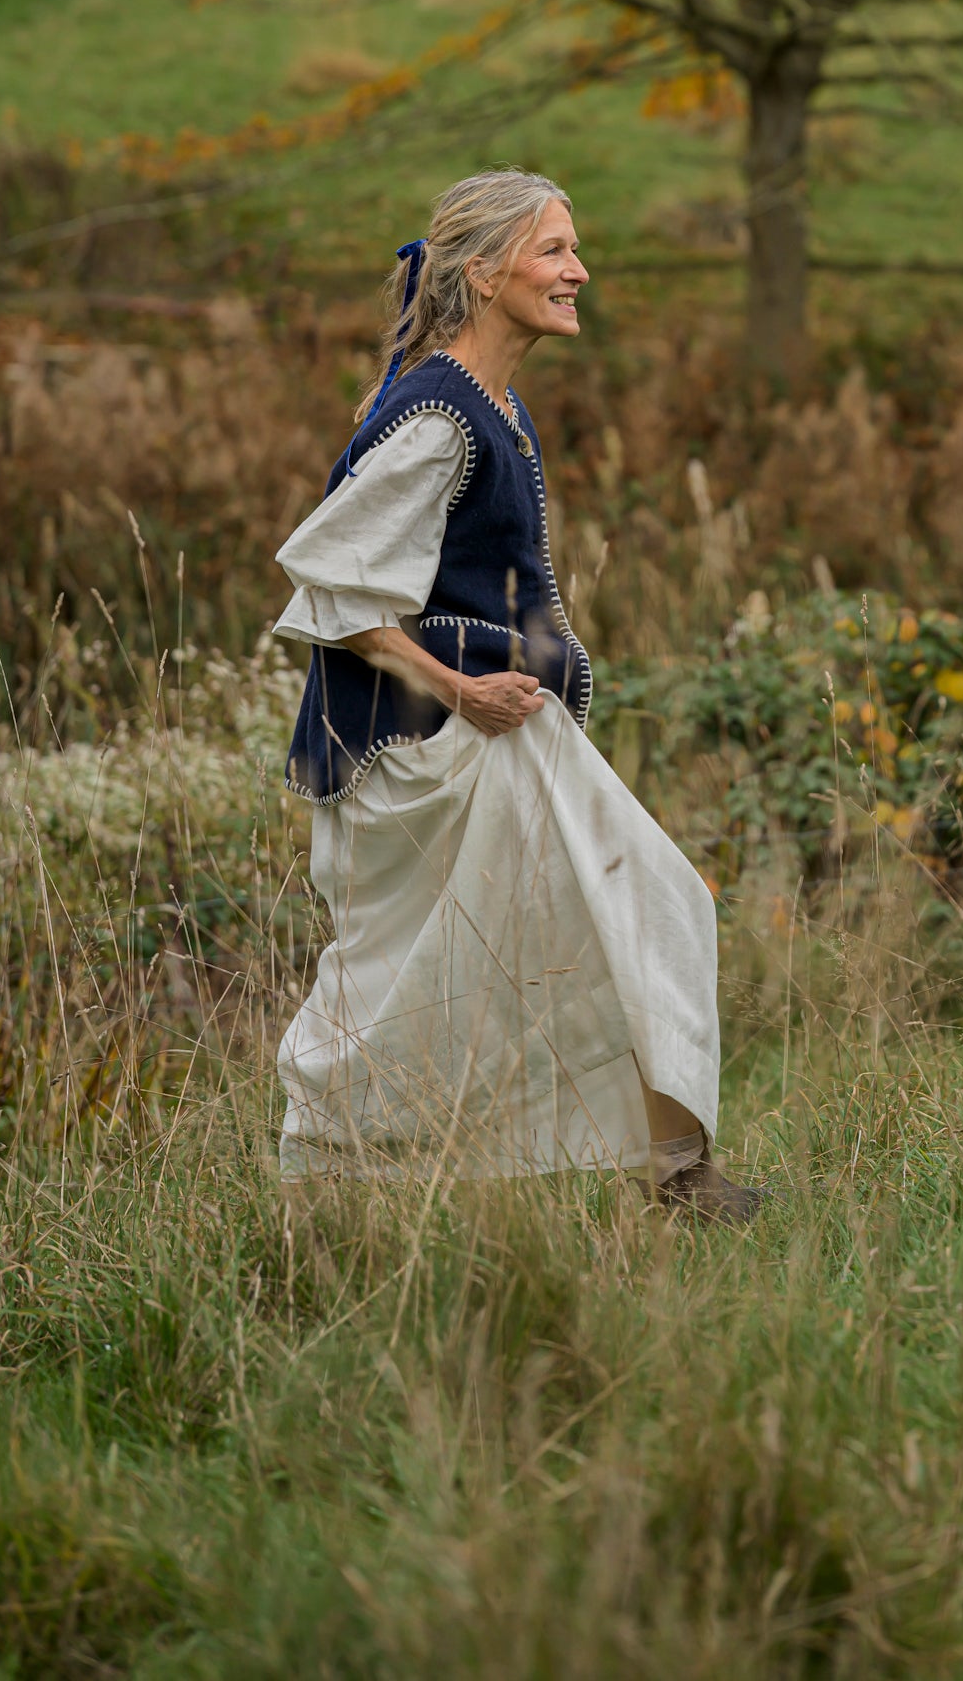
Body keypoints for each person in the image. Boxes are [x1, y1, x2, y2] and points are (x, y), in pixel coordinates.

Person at [271, 167, 759, 1219]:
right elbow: (332, 585)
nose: (579, 271)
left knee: (641, 905)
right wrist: (457, 687)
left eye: (575, 250)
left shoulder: (496, 405)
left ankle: (671, 1170)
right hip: (425, 748)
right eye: (554, 251)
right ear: (485, 275)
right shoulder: (440, 417)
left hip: (496, 738)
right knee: (407, 986)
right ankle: (327, 1191)